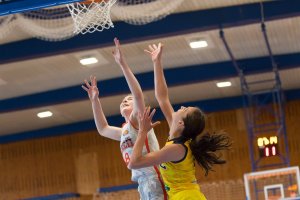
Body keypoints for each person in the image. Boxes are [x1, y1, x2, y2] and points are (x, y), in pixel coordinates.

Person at [128, 43, 232, 200]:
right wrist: (157, 62)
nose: (181, 106)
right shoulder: (179, 138)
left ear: (181, 123)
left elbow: (134, 163)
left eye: (184, 110)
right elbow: (162, 97)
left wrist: (142, 131)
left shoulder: (176, 149)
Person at [82, 38, 167, 200]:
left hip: (154, 178)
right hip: (143, 182)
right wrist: (95, 100)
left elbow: (137, 95)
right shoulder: (125, 130)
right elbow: (103, 129)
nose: (125, 101)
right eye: (123, 100)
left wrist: (122, 64)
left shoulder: (137, 120)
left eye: (128, 100)